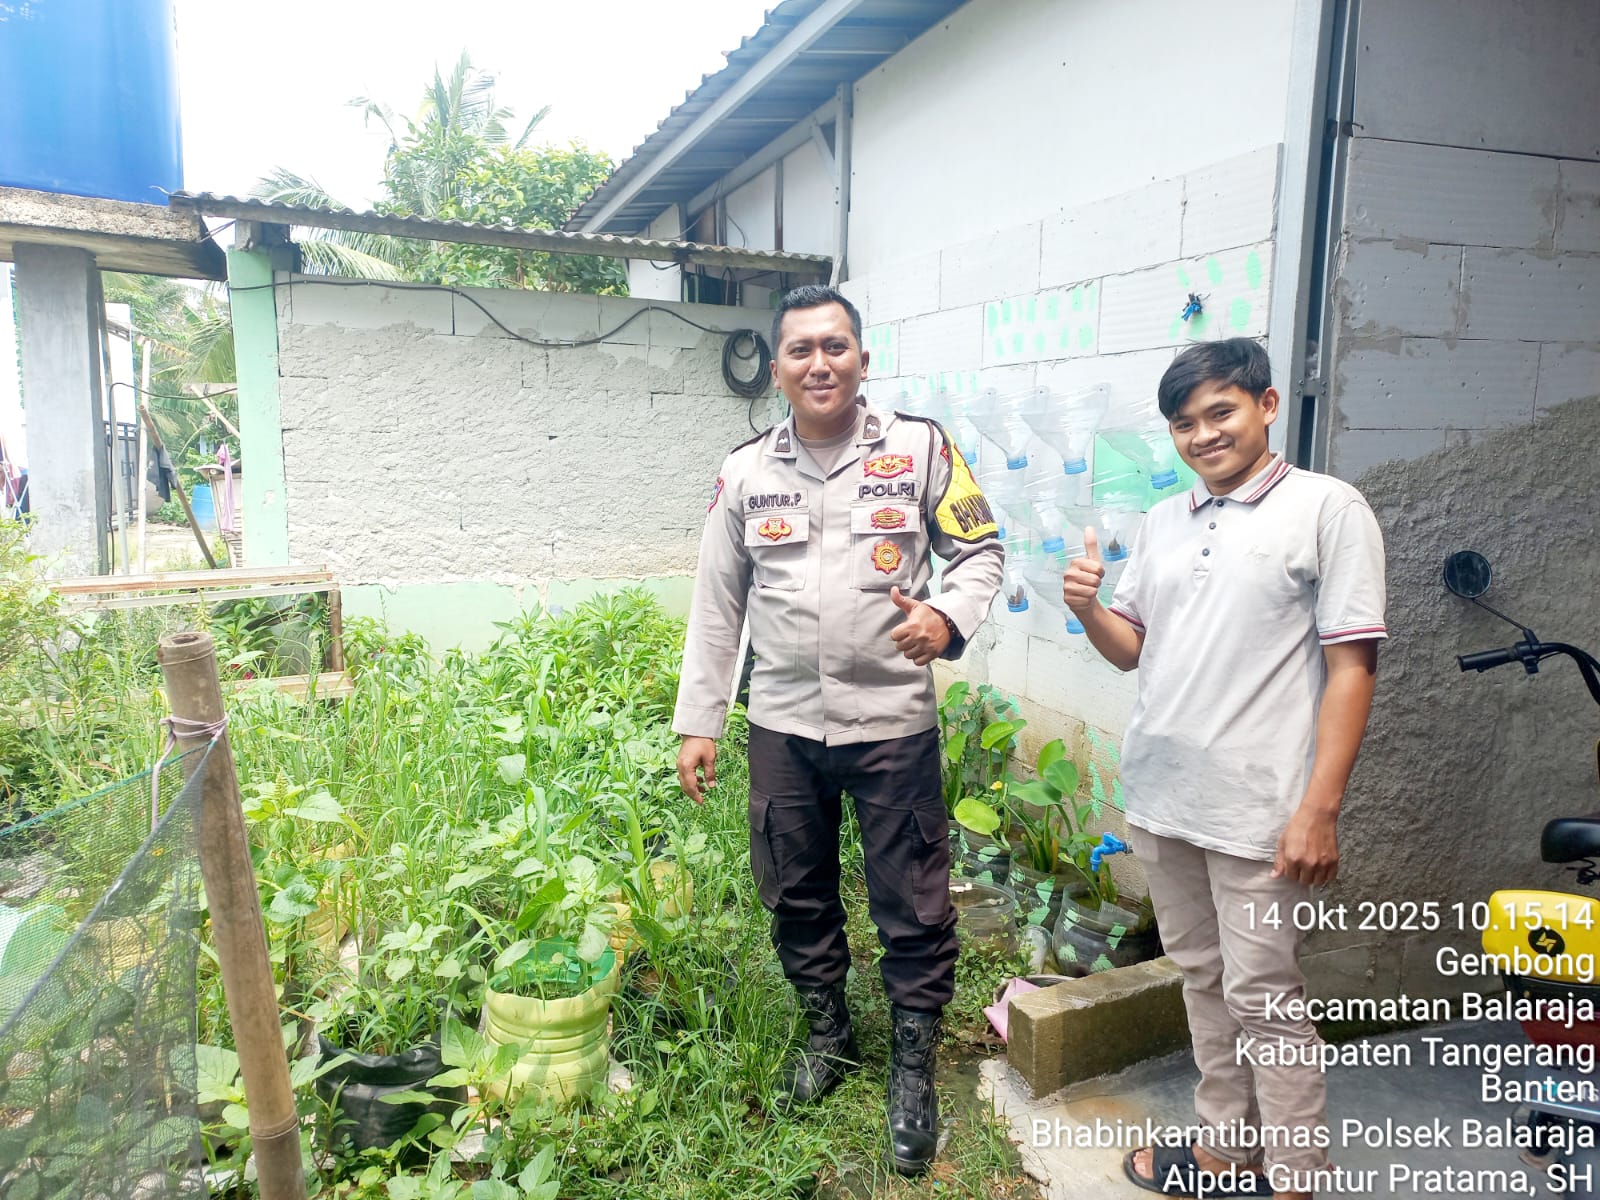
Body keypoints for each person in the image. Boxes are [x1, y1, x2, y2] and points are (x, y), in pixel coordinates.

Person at [673, 284, 1003, 1174]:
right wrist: (699, 720)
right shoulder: (746, 472)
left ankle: (912, 1066)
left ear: (862, 357)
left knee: (914, 897)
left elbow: (980, 550)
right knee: (796, 888)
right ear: (778, 367)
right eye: (801, 350)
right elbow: (718, 602)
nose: (819, 363)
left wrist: (945, 617)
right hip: (783, 723)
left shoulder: (921, 448)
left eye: (835, 346)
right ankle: (829, 1034)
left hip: (892, 721)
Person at [1061, 338, 1385, 1200]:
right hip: (1164, 800)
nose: (1202, 435)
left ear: (1267, 405)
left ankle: (1295, 1178)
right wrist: (1088, 607)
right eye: (1184, 423)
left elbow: (1353, 667)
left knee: (1266, 999)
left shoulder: (1327, 508)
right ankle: (1223, 1154)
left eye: (1220, 412)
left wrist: (1319, 809)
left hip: (1260, 812)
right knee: (1204, 983)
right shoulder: (1164, 520)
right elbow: (1130, 649)